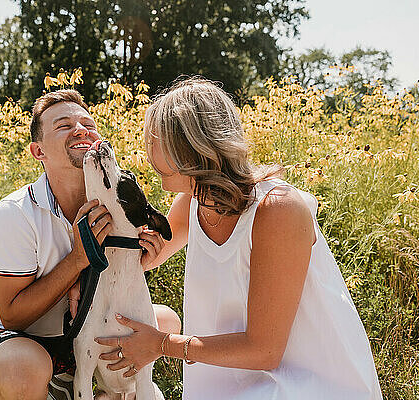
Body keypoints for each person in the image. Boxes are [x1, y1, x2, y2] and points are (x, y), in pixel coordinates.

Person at [95, 77, 383, 399]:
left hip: (307, 384)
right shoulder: (192, 200)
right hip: (234, 384)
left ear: (194, 147)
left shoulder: (277, 210)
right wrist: (141, 250)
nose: (147, 148)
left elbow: (264, 351)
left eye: (157, 138)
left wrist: (161, 344)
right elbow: (151, 254)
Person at [0, 89, 181, 400]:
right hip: (10, 337)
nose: (80, 129)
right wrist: (79, 258)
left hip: (77, 332)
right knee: (25, 371)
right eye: (63, 125)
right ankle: (21, 387)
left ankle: (87, 387)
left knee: (166, 321)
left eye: (88, 124)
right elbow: (13, 316)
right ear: (39, 152)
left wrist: (139, 258)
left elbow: (115, 292)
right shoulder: (17, 213)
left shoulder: (115, 203)